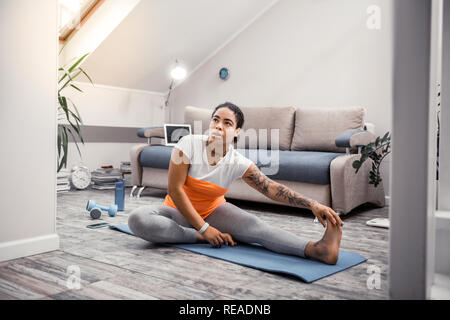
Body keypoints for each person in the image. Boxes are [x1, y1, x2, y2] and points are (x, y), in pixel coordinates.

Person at [128, 102, 343, 265]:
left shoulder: (237, 162)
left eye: (227, 123)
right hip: (177, 213)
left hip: (214, 211)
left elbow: (271, 189)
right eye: (215, 120)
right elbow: (175, 190)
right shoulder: (188, 144)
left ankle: (318, 249)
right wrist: (204, 230)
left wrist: (312, 204)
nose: (218, 126)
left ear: (237, 131)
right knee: (138, 219)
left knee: (258, 228)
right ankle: (198, 237)